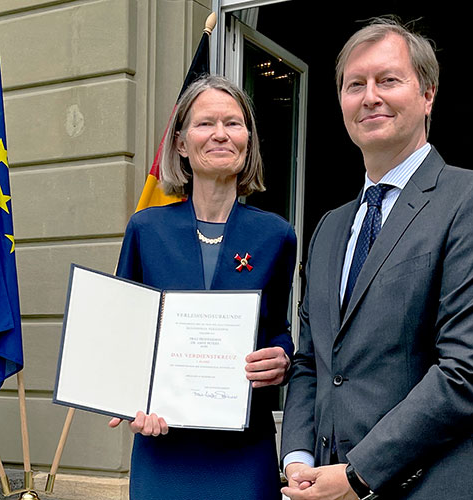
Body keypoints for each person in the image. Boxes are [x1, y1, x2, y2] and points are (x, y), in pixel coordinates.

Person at [280, 18, 473, 500]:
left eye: (388, 80)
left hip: (439, 485)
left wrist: (357, 475)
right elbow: (312, 361)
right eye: (355, 85)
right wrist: (297, 459)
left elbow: (468, 371)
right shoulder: (330, 228)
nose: (370, 96)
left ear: (428, 95)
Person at [109, 74, 297, 500]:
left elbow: (276, 327)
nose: (220, 134)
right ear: (180, 143)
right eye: (205, 123)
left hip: (243, 447)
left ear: (248, 139)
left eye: (233, 123)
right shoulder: (146, 228)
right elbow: (123, 336)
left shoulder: (276, 235)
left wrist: (281, 358)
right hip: (164, 442)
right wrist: (129, 403)